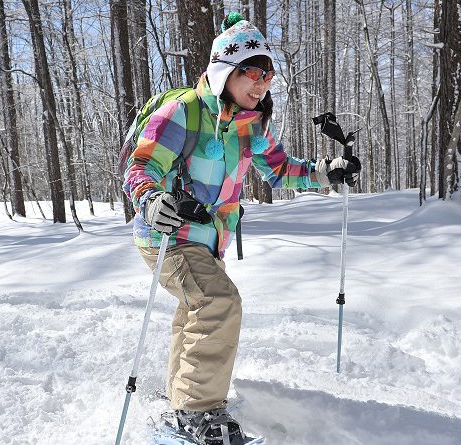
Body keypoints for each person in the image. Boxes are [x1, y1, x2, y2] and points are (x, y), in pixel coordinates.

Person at [123, 12, 360, 445]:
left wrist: (327, 172)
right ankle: (196, 413)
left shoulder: (253, 126)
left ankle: (183, 398)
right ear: (224, 71)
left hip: (208, 242)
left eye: (268, 73)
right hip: (167, 236)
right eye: (252, 70)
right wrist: (151, 198)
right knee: (217, 302)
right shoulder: (186, 112)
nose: (262, 82)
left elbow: (282, 170)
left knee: (197, 310)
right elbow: (141, 165)